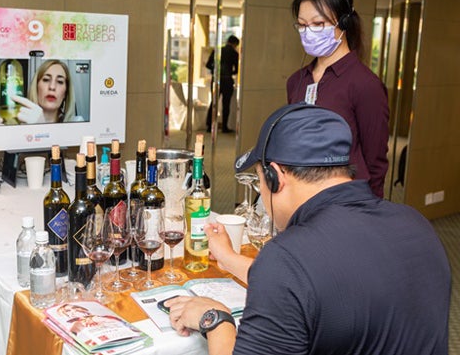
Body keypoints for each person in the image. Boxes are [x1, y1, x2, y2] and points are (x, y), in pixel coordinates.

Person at [165, 104, 450, 355]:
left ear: (276, 177)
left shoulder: (287, 259)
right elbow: (319, 288)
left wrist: (215, 320)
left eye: (260, 181)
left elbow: (295, 279)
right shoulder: (416, 224)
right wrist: (228, 258)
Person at [286, 0, 389, 198]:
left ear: (343, 22)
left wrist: (370, 212)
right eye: (302, 25)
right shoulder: (296, 81)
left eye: (318, 24)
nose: (308, 32)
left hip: (346, 200)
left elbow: (375, 161)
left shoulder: (365, 84)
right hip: (302, 197)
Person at [10, 59, 83, 124]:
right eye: (46, 80)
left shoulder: (78, 122)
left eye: (60, 81)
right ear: (36, 86)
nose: (52, 87)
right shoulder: (17, 124)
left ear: (66, 93)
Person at [205, 35, 239, 133]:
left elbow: (208, 65)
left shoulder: (217, 51)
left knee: (214, 103)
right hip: (227, 80)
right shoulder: (234, 53)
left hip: (216, 80)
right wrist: (229, 72)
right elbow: (236, 70)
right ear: (235, 44)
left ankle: (209, 126)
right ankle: (224, 127)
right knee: (226, 104)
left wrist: (216, 71)